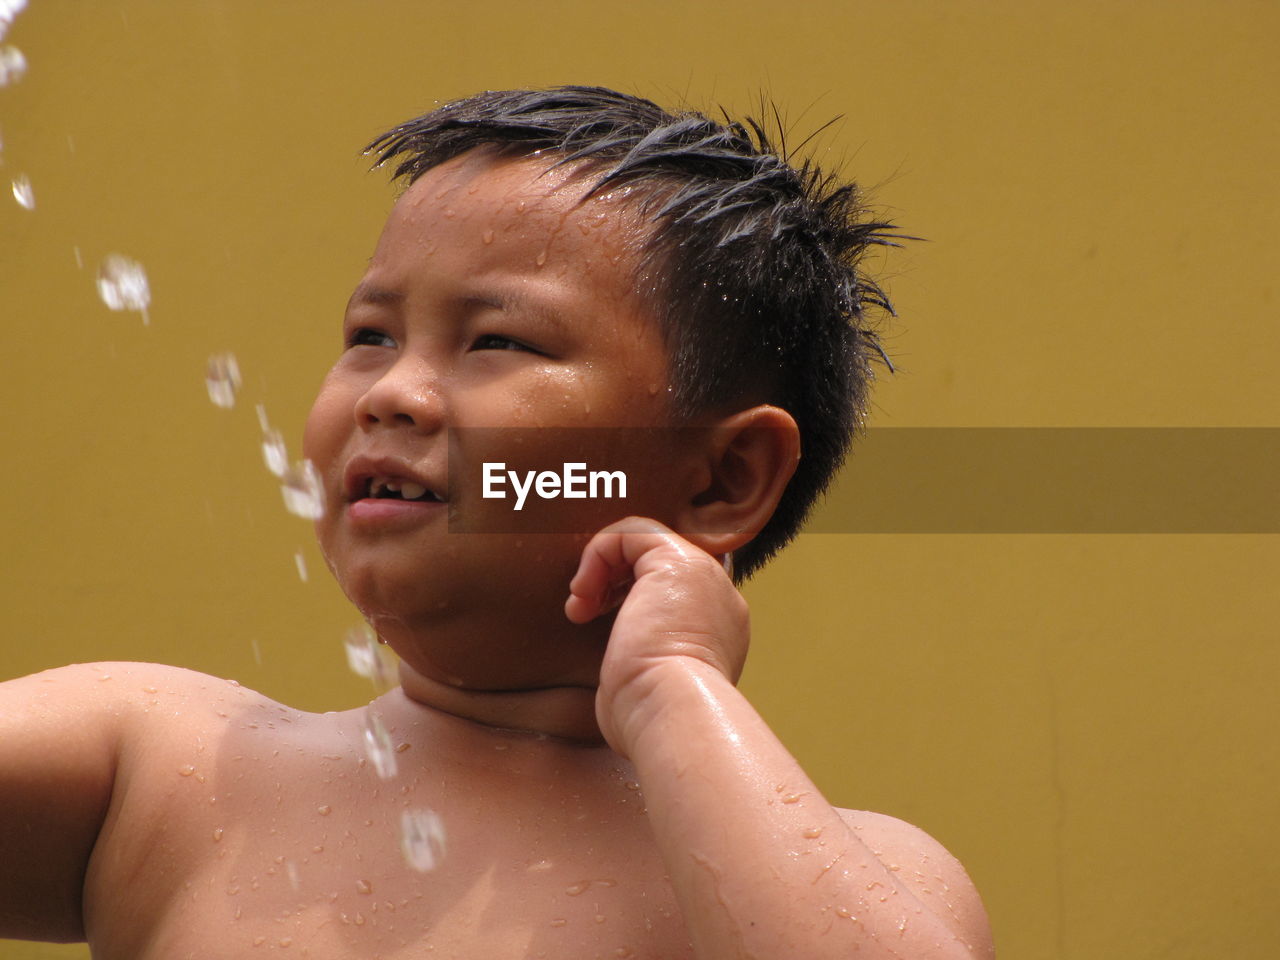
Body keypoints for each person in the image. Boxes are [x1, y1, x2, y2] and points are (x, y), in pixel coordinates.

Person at [0, 86, 993, 959]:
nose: (393, 392)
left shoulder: (830, 869)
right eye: (369, 335)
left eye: (497, 341)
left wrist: (670, 692)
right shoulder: (160, 765)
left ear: (722, 478)